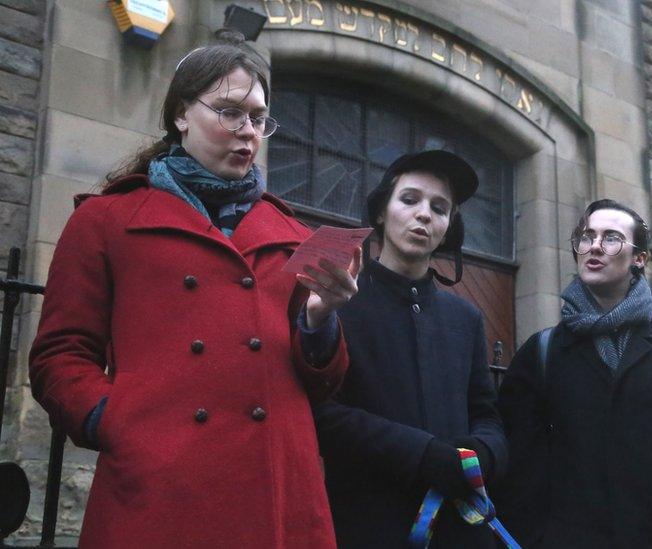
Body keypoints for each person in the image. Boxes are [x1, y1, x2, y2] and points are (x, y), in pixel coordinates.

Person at [28, 30, 359, 548]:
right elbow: (60, 354)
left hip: (277, 494)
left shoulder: (294, 236)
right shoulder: (106, 219)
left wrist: (320, 321)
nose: (247, 131)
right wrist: (114, 422)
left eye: (257, 117)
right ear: (182, 113)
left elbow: (322, 383)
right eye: (229, 111)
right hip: (158, 489)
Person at [495, 199, 652, 548]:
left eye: (612, 238)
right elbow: (520, 474)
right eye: (586, 237)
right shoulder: (543, 354)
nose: (595, 246)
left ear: (639, 259)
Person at [306, 150, 508, 548]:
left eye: (439, 207)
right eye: (410, 199)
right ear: (381, 212)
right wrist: (421, 454)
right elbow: (322, 413)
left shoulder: (465, 317)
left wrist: (479, 455)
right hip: (367, 527)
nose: (424, 215)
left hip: (457, 529)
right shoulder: (339, 301)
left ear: (448, 226)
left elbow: (487, 414)